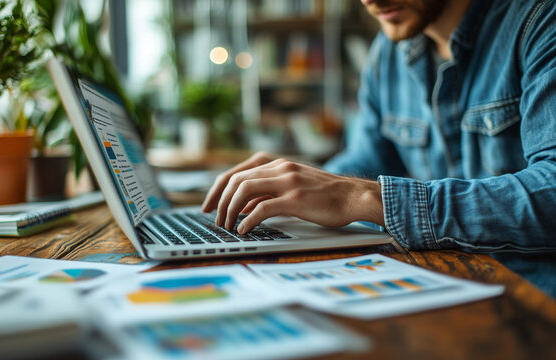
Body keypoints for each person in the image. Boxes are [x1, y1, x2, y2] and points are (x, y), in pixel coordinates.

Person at [202, 0, 556, 297]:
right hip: (440, 285)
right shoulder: (388, 53)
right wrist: (294, 182)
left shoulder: (541, 23)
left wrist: (368, 199)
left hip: (533, 300)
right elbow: (365, 164)